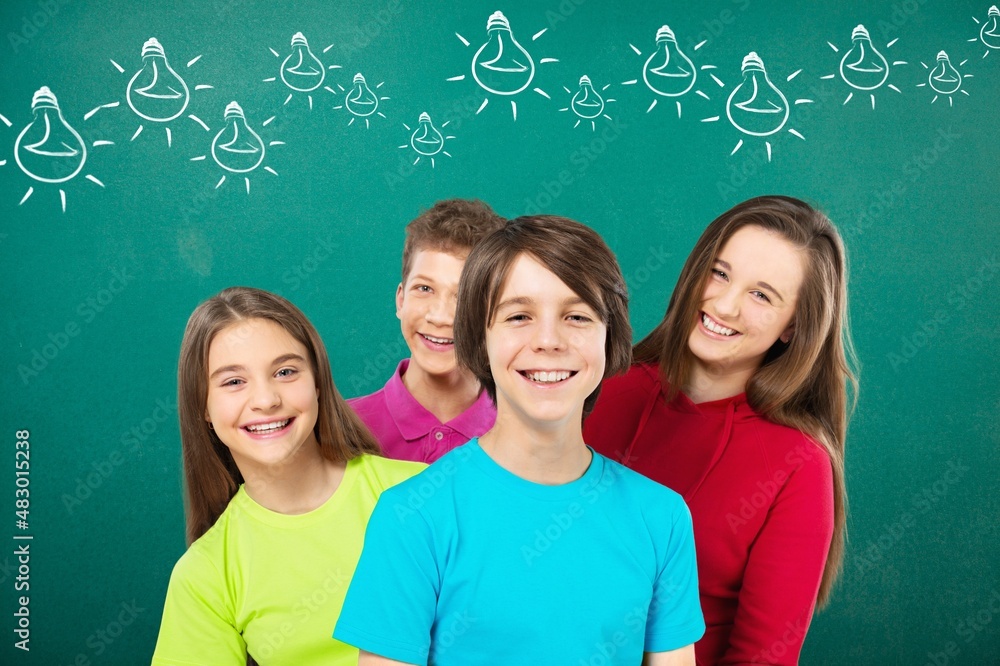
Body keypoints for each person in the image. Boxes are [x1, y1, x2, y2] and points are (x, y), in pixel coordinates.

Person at [334, 215, 705, 665]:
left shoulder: (661, 518)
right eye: (519, 316)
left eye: (576, 316)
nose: (548, 340)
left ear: (609, 338)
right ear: (479, 338)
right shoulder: (412, 517)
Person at [584, 195, 857, 665]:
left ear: (793, 326)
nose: (725, 304)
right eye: (720, 272)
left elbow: (762, 657)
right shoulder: (598, 386)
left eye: (761, 295)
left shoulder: (799, 466)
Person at [152, 287, 423, 666]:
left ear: (317, 382)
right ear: (204, 407)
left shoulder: (422, 495)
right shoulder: (205, 573)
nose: (266, 400)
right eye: (233, 381)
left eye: (285, 372)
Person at [349, 199, 505, 463]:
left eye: (464, 297)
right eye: (424, 289)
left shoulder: (522, 432)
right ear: (401, 300)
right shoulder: (345, 427)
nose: (440, 317)